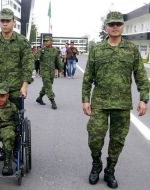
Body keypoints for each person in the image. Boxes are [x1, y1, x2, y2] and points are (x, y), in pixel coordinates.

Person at [82, 11, 150, 189]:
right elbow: (88, 77)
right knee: (94, 138)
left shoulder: (131, 50)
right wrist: (85, 100)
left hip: (121, 104)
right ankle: (96, 165)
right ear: (106, 27)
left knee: (117, 141)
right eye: (111, 24)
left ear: (122, 27)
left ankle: (110, 170)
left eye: (118, 24)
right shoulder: (97, 49)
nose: (114, 27)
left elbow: (141, 76)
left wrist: (144, 99)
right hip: (100, 103)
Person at [0, 8, 34, 161]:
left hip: (15, 89)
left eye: (7, 21)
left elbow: (28, 64)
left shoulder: (22, 41)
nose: (4, 24)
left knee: (15, 121)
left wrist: (25, 84)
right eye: (2, 21)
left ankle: (12, 151)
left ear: (13, 22)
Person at [35, 36, 63, 109]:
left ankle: (39, 98)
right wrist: (38, 52)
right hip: (44, 71)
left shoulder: (55, 50)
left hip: (52, 71)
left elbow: (58, 60)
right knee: (48, 85)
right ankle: (52, 101)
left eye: (47, 41)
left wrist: (61, 69)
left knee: (47, 85)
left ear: (51, 41)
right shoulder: (42, 50)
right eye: (44, 41)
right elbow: (36, 58)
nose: (45, 42)